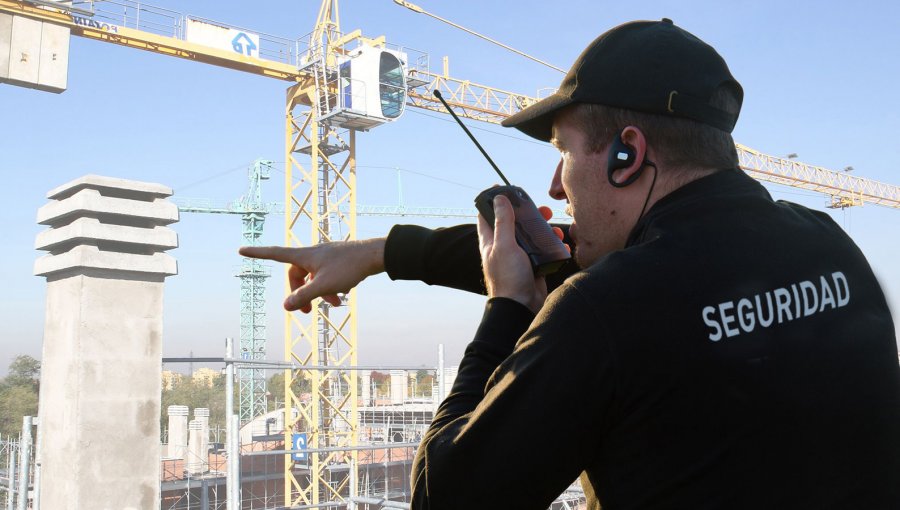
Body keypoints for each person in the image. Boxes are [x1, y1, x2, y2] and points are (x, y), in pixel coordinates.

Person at [241, 19, 900, 509]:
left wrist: (505, 311)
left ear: (627, 154)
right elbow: (632, 291)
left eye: (564, 151)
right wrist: (378, 254)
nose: (556, 187)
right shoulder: (830, 246)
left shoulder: (608, 311)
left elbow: (446, 496)